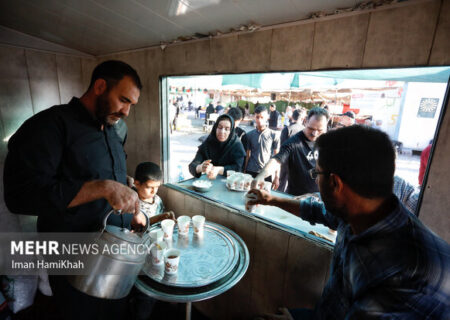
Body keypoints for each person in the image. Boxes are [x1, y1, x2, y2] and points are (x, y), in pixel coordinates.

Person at [248, 125, 450, 319]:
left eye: (316, 174)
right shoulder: (362, 210)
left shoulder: (396, 272)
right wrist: (271, 199)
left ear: (335, 183)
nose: (315, 180)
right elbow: (319, 211)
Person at [3, 60, 145, 319]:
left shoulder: (112, 129)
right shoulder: (49, 126)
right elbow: (20, 196)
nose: (126, 112)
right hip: (70, 252)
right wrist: (101, 187)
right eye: (123, 100)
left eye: (131, 105)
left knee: (115, 311)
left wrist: (130, 201)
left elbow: (108, 177)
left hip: (112, 248)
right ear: (100, 86)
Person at [131, 161, 175, 320]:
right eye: (150, 187)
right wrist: (161, 217)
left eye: (157, 187)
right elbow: (140, 225)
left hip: (155, 248)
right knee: (144, 292)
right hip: (138, 254)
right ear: (136, 183)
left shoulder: (157, 200)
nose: (154, 191)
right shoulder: (131, 202)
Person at [253, 107, 329, 196]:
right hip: (298, 199)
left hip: (322, 197)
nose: (314, 134)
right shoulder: (294, 142)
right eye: (311, 129)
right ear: (305, 121)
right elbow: (277, 160)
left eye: (320, 130)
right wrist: (261, 175)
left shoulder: (326, 141)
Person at [189, 114, 245, 179]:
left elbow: (238, 168)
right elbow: (192, 165)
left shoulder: (236, 145)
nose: (222, 132)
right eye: (220, 127)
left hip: (229, 184)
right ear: (215, 128)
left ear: (231, 131)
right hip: (208, 183)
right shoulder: (208, 143)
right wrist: (200, 167)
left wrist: (218, 170)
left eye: (227, 129)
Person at [244, 105, 280, 179]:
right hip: (250, 171)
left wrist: (276, 176)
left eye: (262, 117)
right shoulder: (249, 135)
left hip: (266, 172)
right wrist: (244, 171)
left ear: (267, 117)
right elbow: (247, 155)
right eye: (257, 117)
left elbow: (277, 157)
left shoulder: (274, 135)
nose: (259, 120)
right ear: (254, 117)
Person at [278, 109, 305, 192]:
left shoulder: (287, 129)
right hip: (300, 160)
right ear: (302, 118)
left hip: (286, 159)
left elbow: (282, 146)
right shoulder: (305, 130)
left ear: (292, 117)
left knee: (282, 182)